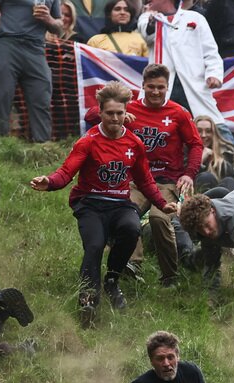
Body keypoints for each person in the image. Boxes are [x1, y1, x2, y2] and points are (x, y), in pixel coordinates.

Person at [31, 81, 173, 321]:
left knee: (131, 229)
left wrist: (162, 203)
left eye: (119, 113)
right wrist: (50, 182)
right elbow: (67, 171)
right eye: (109, 113)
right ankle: (88, 298)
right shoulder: (88, 141)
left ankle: (112, 281)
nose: (115, 118)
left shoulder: (134, 143)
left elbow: (145, 179)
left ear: (126, 112)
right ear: (100, 112)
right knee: (95, 246)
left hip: (119, 203)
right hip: (90, 203)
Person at [83, 64, 202, 289]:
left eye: (161, 87)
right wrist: (121, 114)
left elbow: (195, 144)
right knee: (125, 212)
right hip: (135, 179)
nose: (156, 92)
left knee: (159, 218)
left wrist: (189, 174)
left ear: (167, 87)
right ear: (143, 86)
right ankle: (132, 264)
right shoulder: (130, 108)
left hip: (167, 179)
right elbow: (91, 115)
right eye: (151, 87)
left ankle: (169, 276)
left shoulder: (178, 113)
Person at [0, 0, 63, 141]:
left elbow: (59, 28)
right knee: (1, 97)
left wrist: (49, 20)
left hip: (36, 48)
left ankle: (42, 148)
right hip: (8, 44)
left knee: (42, 99)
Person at [139, 0, 227, 137]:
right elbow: (147, 35)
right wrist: (151, 19)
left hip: (193, 83)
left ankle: (231, 156)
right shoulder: (148, 19)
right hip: (163, 86)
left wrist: (213, 74)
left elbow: (210, 51)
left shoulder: (195, 18)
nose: (148, 2)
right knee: (161, 130)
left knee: (212, 123)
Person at [194, 114, 234, 193]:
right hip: (198, 198)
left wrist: (220, 163)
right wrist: (200, 160)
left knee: (229, 181)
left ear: (214, 133)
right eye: (199, 131)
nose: (203, 135)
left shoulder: (229, 152)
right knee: (206, 177)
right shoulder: (184, 154)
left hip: (226, 196)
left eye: (208, 131)